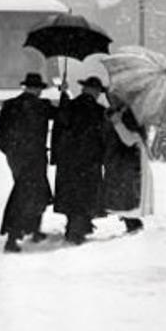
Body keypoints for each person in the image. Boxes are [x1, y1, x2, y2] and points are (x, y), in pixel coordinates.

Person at [0, 72, 57, 253]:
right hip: (35, 158)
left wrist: (9, 150)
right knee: (28, 195)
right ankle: (13, 236)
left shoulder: (11, 105)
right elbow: (63, 115)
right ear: (37, 89)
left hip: (17, 159)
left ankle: (32, 230)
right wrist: (64, 94)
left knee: (32, 192)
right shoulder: (42, 106)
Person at [53, 75, 109, 245]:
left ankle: (75, 225)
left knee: (71, 194)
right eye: (98, 92)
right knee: (86, 195)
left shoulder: (69, 106)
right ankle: (78, 229)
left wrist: (56, 156)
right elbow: (103, 137)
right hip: (90, 161)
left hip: (68, 160)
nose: (98, 95)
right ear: (93, 91)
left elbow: (58, 129)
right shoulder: (99, 111)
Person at [102, 95, 154, 233]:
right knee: (124, 192)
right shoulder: (123, 111)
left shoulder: (132, 114)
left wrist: (117, 123)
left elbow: (130, 139)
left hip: (128, 160)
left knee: (126, 193)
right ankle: (131, 221)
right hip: (122, 159)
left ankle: (133, 223)